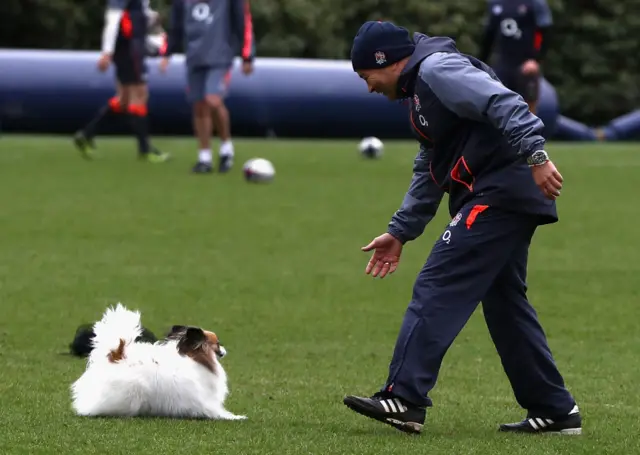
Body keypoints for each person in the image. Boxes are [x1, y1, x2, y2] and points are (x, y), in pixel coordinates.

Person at [342, 21, 581, 436]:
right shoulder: (419, 90)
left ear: (388, 61)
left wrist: (537, 156)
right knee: (506, 304)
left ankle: (405, 397)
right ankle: (555, 411)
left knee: (440, 282)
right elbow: (429, 167)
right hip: (500, 192)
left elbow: (502, 101)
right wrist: (400, 231)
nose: (369, 88)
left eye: (368, 77)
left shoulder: (437, 71)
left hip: (500, 191)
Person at [160, 0, 255, 174]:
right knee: (198, 106)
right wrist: (167, 54)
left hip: (220, 56)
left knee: (212, 100)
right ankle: (205, 157)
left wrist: (247, 55)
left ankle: (226, 147)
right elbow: (175, 26)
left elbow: (243, 21)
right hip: (195, 57)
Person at [74, 0, 170, 163]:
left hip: (130, 46)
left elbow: (138, 12)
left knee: (124, 100)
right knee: (140, 95)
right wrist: (107, 52)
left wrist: (151, 18)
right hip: (129, 48)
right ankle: (145, 150)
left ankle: (86, 135)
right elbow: (113, 18)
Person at [478, 0, 553, 114]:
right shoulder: (495, 3)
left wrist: (535, 60)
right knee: (495, 107)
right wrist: (480, 64)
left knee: (527, 111)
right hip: (502, 64)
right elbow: (489, 36)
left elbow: (543, 33)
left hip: (525, 65)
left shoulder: (535, 3)